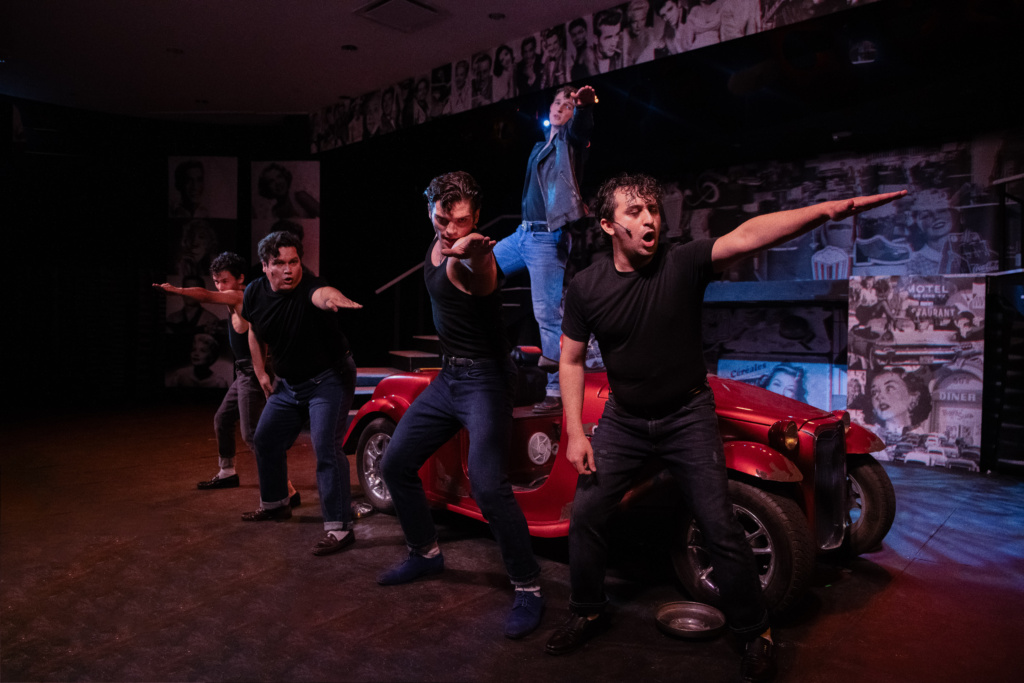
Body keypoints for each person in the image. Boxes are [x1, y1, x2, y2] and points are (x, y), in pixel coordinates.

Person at [548, 173, 905, 682]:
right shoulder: (587, 287)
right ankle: (586, 609)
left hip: (687, 415)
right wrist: (575, 433)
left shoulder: (682, 262)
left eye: (653, 209)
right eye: (635, 212)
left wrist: (826, 211)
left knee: (719, 524)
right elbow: (571, 360)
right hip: (624, 421)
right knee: (586, 513)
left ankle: (755, 630)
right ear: (608, 225)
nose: (650, 220)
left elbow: (749, 235)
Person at [377, 172, 545, 639]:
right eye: (442, 220)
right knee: (395, 464)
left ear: (478, 217)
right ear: (431, 212)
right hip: (449, 377)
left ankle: (529, 586)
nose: (451, 230)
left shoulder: (476, 257)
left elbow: (484, 280)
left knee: (488, 487)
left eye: (462, 221)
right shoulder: (435, 244)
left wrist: (479, 254)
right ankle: (425, 553)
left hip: (486, 380)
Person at [241, 231, 361, 556]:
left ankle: (339, 528)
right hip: (289, 384)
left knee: (326, 448)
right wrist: (261, 372)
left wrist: (333, 297)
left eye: (293, 262)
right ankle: (276, 504)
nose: (288, 270)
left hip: (329, 379)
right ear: (265, 266)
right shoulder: (254, 292)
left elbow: (321, 294)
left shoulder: (310, 286)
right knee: (265, 439)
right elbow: (253, 331)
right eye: (279, 263)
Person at [153, 253, 301, 503]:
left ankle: (286, 489)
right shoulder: (234, 299)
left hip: (252, 372)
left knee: (253, 435)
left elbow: (205, 296)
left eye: (224, 281)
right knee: (222, 419)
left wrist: (177, 290)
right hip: (242, 372)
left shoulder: (240, 295)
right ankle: (227, 472)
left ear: (240, 279)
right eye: (216, 281)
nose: (220, 287)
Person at [494, 84, 597, 413]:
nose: (560, 108)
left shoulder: (570, 144)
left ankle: (555, 392)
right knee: (480, 269)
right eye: (557, 102)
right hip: (522, 234)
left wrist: (583, 108)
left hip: (546, 238)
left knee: (547, 316)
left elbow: (581, 130)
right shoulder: (540, 146)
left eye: (567, 105)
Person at [864, 368, 932, 439]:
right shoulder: (868, 436)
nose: (879, 396)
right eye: (874, 392)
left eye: (889, 389)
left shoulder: (921, 439)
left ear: (913, 397)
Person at [590, 9, 625, 74]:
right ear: (596, 39)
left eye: (617, 35)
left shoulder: (621, 59)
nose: (614, 43)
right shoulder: (588, 62)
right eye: (608, 37)